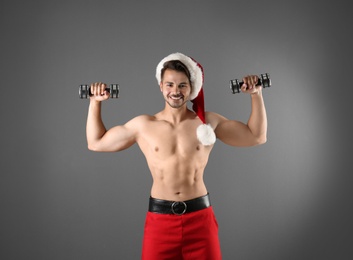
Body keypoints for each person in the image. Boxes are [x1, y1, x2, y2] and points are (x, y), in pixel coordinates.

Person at [86, 52, 267, 260]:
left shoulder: (207, 122)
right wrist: (95, 102)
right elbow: (96, 142)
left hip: (200, 221)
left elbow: (256, 136)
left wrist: (256, 94)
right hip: (160, 223)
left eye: (182, 85)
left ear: (191, 89)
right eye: (170, 84)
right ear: (161, 86)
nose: (175, 91)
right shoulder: (144, 125)